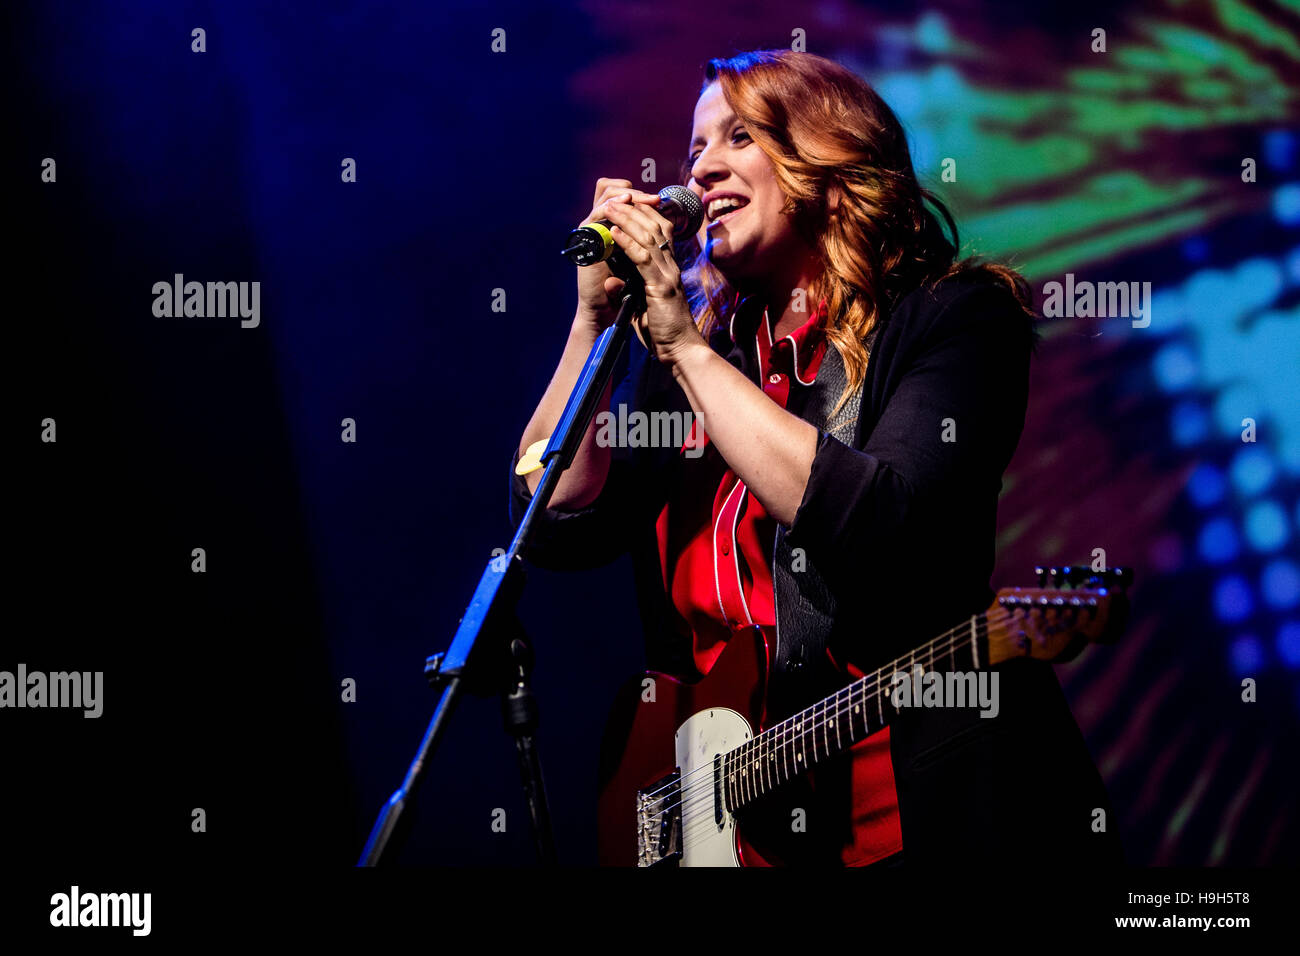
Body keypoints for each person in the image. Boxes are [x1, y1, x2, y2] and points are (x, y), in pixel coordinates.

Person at [511, 49, 1121, 867]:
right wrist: (592, 325)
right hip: (726, 814)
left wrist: (685, 349)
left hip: (911, 812)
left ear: (830, 160)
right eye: (695, 149)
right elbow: (558, 518)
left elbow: (880, 519)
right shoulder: (694, 359)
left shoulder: (955, 319)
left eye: (738, 136)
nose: (701, 169)